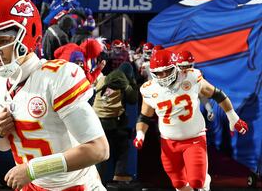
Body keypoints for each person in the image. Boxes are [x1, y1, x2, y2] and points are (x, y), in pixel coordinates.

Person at [0, 0, 109, 190]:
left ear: (28, 35)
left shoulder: (57, 77)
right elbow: (4, 145)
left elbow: (99, 150)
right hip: (32, 185)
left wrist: (32, 170)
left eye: (3, 40)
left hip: (74, 186)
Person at [133, 50, 248, 191]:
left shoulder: (191, 77)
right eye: (158, 73)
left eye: (166, 71)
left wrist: (232, 116)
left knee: (197, 182)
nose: (162, 76)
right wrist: (140, 134)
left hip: (194, 138)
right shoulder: (148, 90)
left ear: (175, 67)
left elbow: (217, 94)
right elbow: (144, 116)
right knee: (179, 184)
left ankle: (205, 181)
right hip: (168, 142)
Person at [93, 62, 138, 184]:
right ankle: (119, 174)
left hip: (96, 122)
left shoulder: (102, 79)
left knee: (101, 154)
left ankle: (97, 180)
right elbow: (133, 100)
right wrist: (132, 83)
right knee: (122, 147)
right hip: (112, 124)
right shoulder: (124, 84)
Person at [176, 50, 214, 122]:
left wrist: (209, 109)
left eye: (187, 67)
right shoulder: (173, 77)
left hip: (192, 115)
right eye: (182, 67)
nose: (185, 70)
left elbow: (202, 95)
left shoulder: (195, 76)